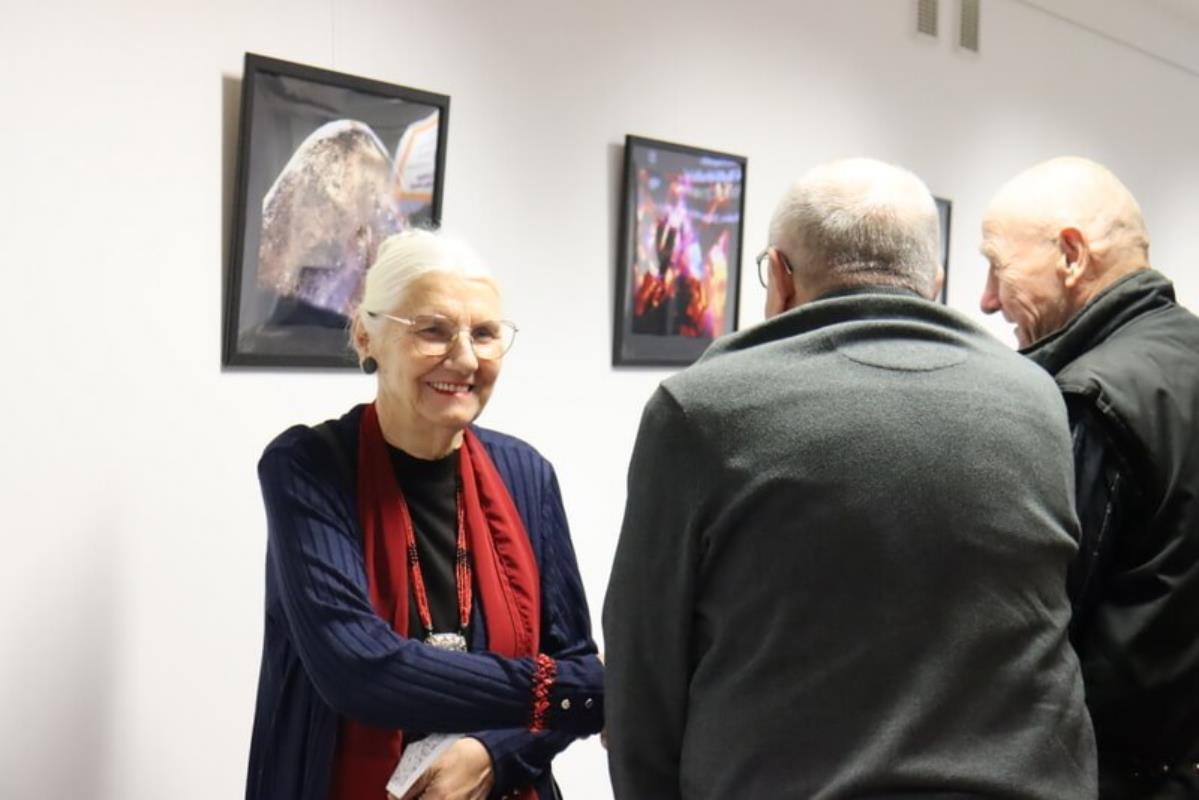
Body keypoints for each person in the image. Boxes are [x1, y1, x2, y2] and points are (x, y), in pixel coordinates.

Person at [603, 158, 1096, 799]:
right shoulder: (1037, 398)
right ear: (934, 281)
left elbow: (644, 671)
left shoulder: (702, 410)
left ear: (781, 278)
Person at [246, 229, 604, 800]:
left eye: (484, 333)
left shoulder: (526, 474)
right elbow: (359, 668)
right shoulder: (308, 468)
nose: (464, 359)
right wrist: (565, 693)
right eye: (432, 330)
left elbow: (574, 660)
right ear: (366, 335)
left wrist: (492, 753)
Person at [980, 156, 1199, 798]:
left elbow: (1041, 624)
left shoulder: (1091, 398)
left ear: (1071, 256)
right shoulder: (1184, 354)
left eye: (996, 266)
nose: (987, 299)